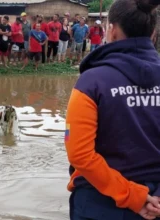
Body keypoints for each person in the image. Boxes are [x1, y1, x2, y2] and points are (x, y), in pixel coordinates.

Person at [65, 0, 160, 219]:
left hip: (100, 204)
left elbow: (79, 154)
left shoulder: (91, 81)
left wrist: (132, 196)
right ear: (153, 33)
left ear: (112, 30)